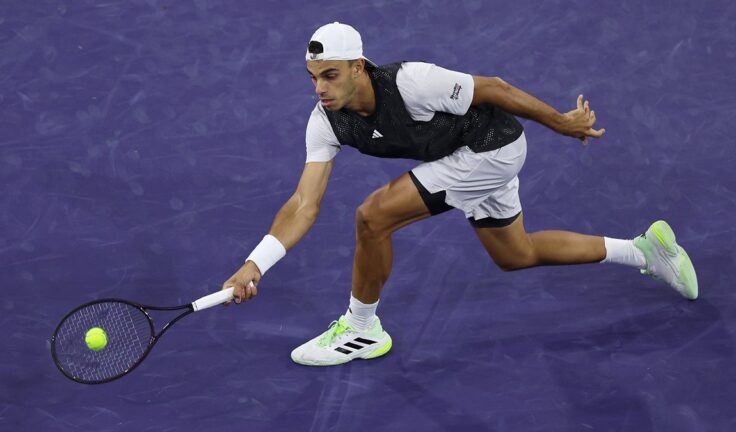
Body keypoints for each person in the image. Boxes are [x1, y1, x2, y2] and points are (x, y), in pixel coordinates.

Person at [221, 22, 698, 366]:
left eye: (330, 75)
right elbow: (303, 204)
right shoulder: (324, 122)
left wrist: (560, 121)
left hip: (494, 148)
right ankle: (645, 251)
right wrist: (255, 263)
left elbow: (495, 88)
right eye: (313, 77)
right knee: (517, 253)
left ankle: (362, 329)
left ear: (358, 67)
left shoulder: (410, 82)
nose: (320, 88)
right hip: (463, 161)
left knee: (373, 216)